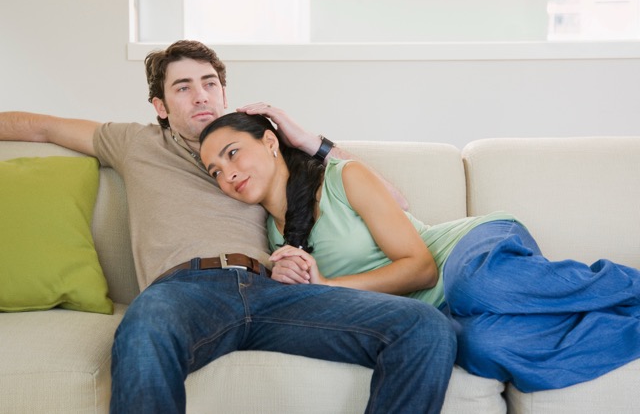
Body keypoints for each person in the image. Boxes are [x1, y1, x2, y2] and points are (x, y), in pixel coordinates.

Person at [0, 40, 456, 414]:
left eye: (209, 83)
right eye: (182, 87)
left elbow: (393, 201)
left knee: (425, 327)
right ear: (160, 105)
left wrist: (302, 138)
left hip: (274, 290)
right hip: (184, 291)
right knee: (144, 332)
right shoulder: (134, 142)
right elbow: (41, 128)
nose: (200, 95)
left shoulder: (260, 148)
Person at [198, 111, 640, 393]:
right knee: (482, 348)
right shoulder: (275, 247)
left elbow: (422, 270)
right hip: (443, 314)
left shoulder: (341, 178)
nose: (228, 173)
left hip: (468, 252)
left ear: (271, 143)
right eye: (216, 170)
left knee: (472, 285)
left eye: (233, 153)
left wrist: (327, 285)